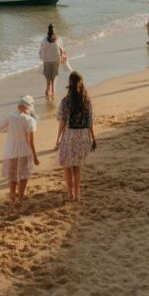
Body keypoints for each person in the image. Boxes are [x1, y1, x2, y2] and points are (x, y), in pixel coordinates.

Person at [56, 72, 97, 202]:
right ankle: (77, 193)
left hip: (70, 135)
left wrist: (58, 139)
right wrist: (93, 138)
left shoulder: (65, 101)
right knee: (76, 167)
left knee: (67, 166)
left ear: (70, 83)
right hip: (83, 135)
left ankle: (70, 193)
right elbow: (90, 122)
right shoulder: (86, 100)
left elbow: (62, 122)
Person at [0, 95, 40, 204]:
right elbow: (31, 141)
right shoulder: (30, 120)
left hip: (10, 149)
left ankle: (12, 195)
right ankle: (20, 197)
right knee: (23, 174)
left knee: (12, 174)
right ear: (29, 107)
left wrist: (9, 130)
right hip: (24, 149)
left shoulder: (10, 116)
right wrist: (35, 156)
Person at [39, 24, 66, 99]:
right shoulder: (57, 39)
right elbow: (61, 49)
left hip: (49, 60)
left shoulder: (45, 40)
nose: (52, 31)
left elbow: (41, 50)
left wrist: (42, 58)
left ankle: (50, 90)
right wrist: (62, 56)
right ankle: (51, 91)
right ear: (53, 31)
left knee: (50, 78)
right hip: (54, 60)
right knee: (52, 77)